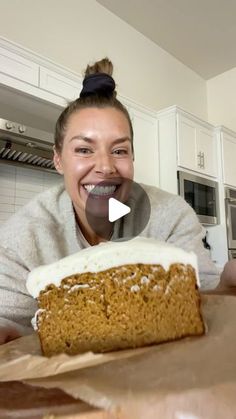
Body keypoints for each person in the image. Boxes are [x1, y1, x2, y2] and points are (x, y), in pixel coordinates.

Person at [0, 57, 234, 346]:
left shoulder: (170, 216)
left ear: (132, 158)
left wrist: (225, 287)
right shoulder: (24, 235)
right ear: (58, 160)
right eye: (84, 149)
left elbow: (203, 296)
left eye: (119, 150)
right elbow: (8, 322)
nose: (105, 166)